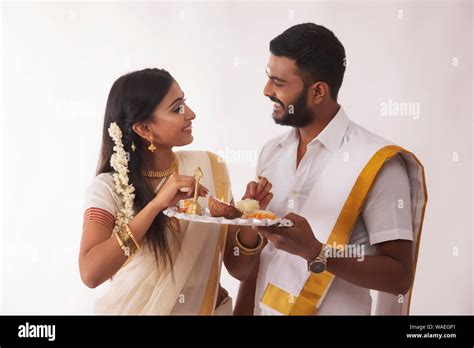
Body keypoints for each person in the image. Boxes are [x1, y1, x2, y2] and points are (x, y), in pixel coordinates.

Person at [229, 23, 428, 315]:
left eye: (279, 82)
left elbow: (398, 276)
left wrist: (317, 253)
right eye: (268, 78)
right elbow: (260, 258)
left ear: (318, 91)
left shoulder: (377, 162)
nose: (266, 91)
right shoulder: (272, 152)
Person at [79, 68, 272, 315]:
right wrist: (156, 206)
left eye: (185, 103)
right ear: (145, 129)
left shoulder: (209, 168)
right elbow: (91, 273)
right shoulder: (109, 187)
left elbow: (239, 269)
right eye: (177, 108)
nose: (191, 114)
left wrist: (248, 219)